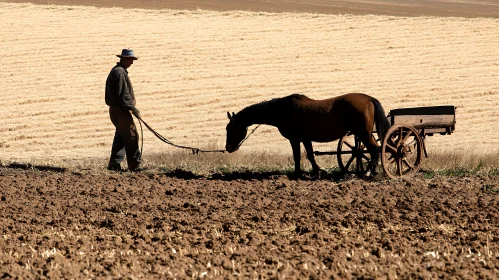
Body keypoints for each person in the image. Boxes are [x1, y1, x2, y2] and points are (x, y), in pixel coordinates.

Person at [105, 49, 142, 172]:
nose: (132, 62)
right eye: (131, 60)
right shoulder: (120, 73)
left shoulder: (117, 71)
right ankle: (135, 165)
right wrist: (132, 108)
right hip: (120, 110)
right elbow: (123, 94)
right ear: (124, 59)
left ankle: (114, 164)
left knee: (121, 137)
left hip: (116, 110)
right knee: (132, 136)